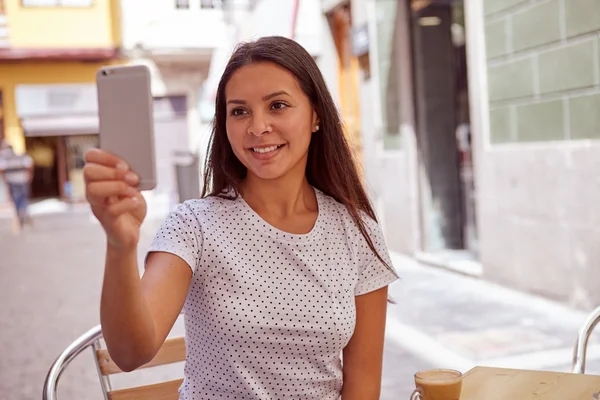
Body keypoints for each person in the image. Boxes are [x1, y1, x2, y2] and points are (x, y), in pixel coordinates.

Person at [84, 36, 399, 400]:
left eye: (277, 105)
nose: (258, 127)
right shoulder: (193, 226)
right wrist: (120, 245)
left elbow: (363, 387)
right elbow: (129, 353)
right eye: (239, 111)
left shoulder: (357, 231)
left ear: (315, 116)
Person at [0, 143, 34, 229]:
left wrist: (5, 178)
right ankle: (23, 213)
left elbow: (2, 169)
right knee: (23, 197)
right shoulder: (20, 156)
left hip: (13, 181)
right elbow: (29, 164)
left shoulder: (5, 158)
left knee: (16, 198)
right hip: (22, 179)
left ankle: (20, 213)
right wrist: (29, 175)